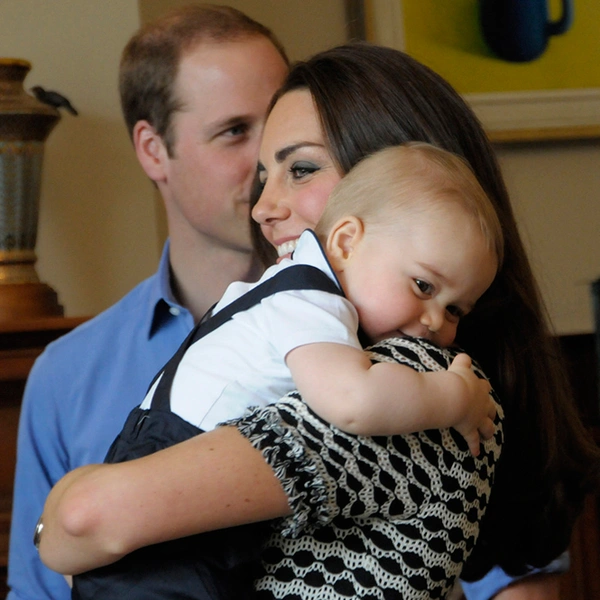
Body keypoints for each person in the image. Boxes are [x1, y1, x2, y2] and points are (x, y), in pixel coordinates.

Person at [36, 43, 600, 600]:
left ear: (401, 183)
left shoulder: (413, 384)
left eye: (301, 169)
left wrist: (64, 512)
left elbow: (87, 518)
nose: (262, 207)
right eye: (264, 174)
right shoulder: (332, 337)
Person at [70, 142, 503, 599]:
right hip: (175, 476)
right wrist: (455, 398)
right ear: (346, 242)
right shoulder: (308, 299)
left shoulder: (291, 290)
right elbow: (354, 401)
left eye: (455, 308)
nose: (435, 320)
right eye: (423, 285)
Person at [6, 5, 289, 600]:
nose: (271, 162)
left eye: (282, 122)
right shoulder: (67, 376)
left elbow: (506, 578)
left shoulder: (381, 322)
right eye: (235, 131)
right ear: (153, 150)